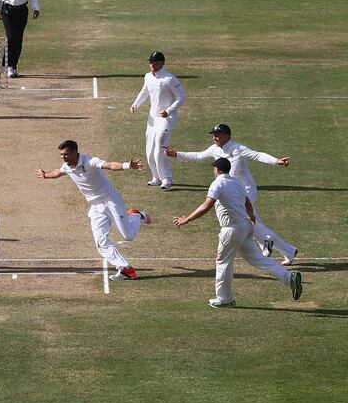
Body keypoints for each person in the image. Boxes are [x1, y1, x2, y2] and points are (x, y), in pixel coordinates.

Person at [173, 158, 302, 308]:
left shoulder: (218, 183)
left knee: (223, 262)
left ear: (218, 170)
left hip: (232, 229)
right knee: (257, 259)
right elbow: (247, 202)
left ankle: (224, 299)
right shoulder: (237, 182)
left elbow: (206, 206)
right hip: (245, 226)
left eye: (214, 168)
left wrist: (186, 219)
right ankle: (288, 276)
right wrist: (252, 216)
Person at [164, 123, 298, 265]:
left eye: (217, 135)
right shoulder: (214, 149)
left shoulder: (238, 148)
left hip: (245, 190)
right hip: (232, 191)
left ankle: (268, 241)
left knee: (247, 219)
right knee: (250, 220)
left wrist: (276, 161)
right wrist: (176, 154)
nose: (214, 138)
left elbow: (257, 155)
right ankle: (286, 250)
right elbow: (198, 155)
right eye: (214, 135)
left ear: (226, 136)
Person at [35, 140, 151, 280]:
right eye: (61, 155)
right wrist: (46, 175)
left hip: (111, 201)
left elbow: (110, 165)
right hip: (96, 207)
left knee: (128, 236)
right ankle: (126, 269)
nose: (63, 158)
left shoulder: (90, 161)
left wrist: (127, 165)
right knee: (101, 242)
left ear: (74, 152)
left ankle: (136, 215)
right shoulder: (67, 166)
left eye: (65, 155)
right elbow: (58, 172)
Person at [130, 51, 186, 190]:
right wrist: (136, 104)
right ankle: (156, 177)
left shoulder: (169, 79)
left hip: (166, 118)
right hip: (152, 118)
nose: (152, 66)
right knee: (149, 150)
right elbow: (144, 91)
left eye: (155, 63)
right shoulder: (148, 76)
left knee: (160, 145)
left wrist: (169, 110)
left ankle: (166, 178)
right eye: (151, 63)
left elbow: (181, 97)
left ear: (162, 63)